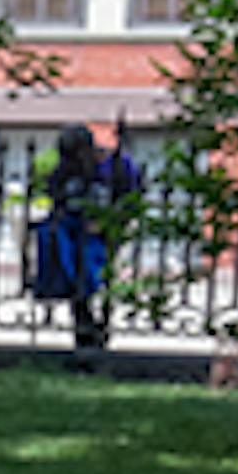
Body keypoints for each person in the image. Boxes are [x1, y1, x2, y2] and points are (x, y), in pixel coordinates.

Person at [29, 123, 141, 351]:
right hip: (71, 228)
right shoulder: (65, 169)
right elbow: (56, 199)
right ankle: (77, 308)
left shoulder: (117, 166)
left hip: (103, 230)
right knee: (53, 240)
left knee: (91, 266)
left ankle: (94, 318)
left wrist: (108, 221)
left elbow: (131, 201)